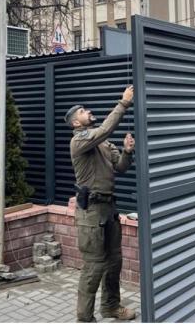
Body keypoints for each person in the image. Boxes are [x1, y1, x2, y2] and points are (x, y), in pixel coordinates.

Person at [66, 85, 137, 322]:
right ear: (76, 123)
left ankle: (110, 308)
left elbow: (121, 168)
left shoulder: (103, 143)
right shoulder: (79, 141)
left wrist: (127, 152)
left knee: (114, 262)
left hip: (109, 209)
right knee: (93, 267)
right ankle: (84, 318)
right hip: (91, 214)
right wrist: (124, 103)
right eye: (83, 111)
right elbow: (106, 128)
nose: (88, 112)